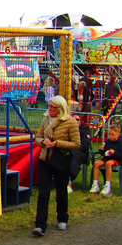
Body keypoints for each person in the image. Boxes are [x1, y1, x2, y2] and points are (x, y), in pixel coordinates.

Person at [32, 96, 80, 236]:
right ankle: (40, 225)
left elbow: (76, 144)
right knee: (43, 193)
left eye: (54, 107)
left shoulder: (70, 122)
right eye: (49, 106)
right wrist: (43, 142)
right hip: (45, 159)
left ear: (61, 108)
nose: (50, 109)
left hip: (61, 159)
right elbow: (38, 137)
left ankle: (62, 218)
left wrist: (58, 143)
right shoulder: (46, 119)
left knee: (61, 190)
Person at [89, 124, 122, 196]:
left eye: (112, 134)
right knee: (96, 163)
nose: (110, 136)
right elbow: (104, 153)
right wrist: (102, 150)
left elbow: (121, 155)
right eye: (109, 134)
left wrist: (114, 152)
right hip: (107, 158)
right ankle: (95, 184)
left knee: (109, 163)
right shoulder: (108, 141)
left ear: (118, 135)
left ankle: (108, 186)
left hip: (117, 159)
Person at [67, 114, 91, 194]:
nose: (75, 121)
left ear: (82, 121)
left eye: (77, 120)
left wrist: (73, 146)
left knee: (71, 156)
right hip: (69, 151)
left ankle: (69, 182)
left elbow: (85, 146)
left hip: (81, 154)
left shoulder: (85, 131)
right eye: (73, 119)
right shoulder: (69, 130)